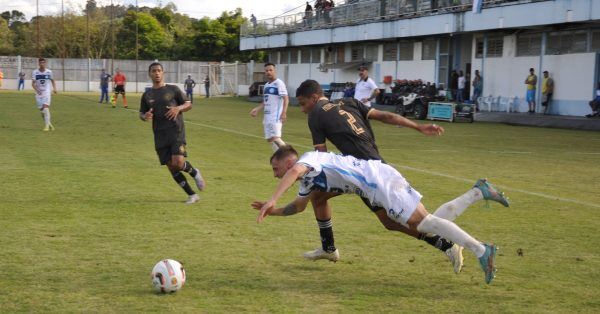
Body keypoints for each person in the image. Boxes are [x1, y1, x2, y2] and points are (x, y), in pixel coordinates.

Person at [292, 79, 509, 273]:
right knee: (328, 201)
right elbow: (385, 116)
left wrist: (301, 175)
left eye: (303, 104)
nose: (302, 110)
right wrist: (417, 126)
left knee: (421, 222)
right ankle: (329, 248)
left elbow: (321, 157)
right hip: (370, 167)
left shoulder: (316, 115)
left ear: (314, 97)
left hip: (368, 175)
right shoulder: (349, 102)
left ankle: (468, 216)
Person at [254, 146, 499, 284]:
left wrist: (274, 197)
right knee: (424, 224)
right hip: (376, 183)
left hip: (378, 183)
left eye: (276, 169)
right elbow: (298, 206)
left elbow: (295, 171)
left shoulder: (307, 162)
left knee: (425, 224)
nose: (275, 174)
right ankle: (478, 193)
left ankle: (482, 250)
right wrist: (272, 210)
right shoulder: (309, 177)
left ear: (286, 163)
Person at [139, 62, 205, 204]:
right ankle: (192, 195)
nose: (156, 73)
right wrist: (145, 117)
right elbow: (141, 113)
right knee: (171, 166)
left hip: (176, 131)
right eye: (153, 71)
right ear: (149, 74)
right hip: (159, 134)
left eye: (159, 71)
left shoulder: (173, 90)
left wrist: (178, 108)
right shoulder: (147, 94)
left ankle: (194, 172)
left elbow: (188, 104)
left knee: (178, 162)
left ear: (163, 73)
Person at [250, 62, 289, 152]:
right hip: (267, 116)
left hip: (275, 116)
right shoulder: (267, 85)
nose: (268, 72)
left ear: (274, 71)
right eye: (266, 70)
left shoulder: (279, 83)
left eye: (270, 70)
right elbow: (265, 101)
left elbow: (286, 98)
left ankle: (288, 155)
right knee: (270, 139)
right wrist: (257, 109)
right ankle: (280, 157)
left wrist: (284, 113)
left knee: (276, 138)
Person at [32, 58, 58, 131]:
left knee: (46, 108)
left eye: (43, 63)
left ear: (45, 63)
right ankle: (49, 124)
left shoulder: (49, 72)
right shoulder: (35, 72)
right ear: (38, 63)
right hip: (38, 93)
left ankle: (46, 127)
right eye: (40, 63)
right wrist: (37, 90)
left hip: (46, 92)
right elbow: (33, 84)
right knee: (42, 111)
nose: (42, 64)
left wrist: (55, 88)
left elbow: (53, 81)